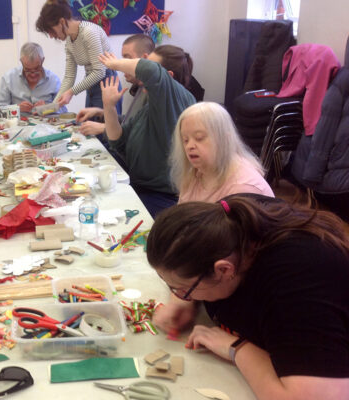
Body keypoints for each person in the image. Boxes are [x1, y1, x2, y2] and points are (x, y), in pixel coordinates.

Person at [146, 194, 349, 400]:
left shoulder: (296, 282)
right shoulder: (226, 222)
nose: (179, 295)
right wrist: (182, 300)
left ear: (224, 270)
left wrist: (235, 347)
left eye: (183, 289)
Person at [98, 48, 196, 216]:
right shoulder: (151, 105)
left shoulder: (179, 100)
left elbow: (150, 70)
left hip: (161, 197)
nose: (141, 73)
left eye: (148, 62)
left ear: (169, 77)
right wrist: (109, 106)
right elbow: (117, 140)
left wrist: (113, 64)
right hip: (139, 187)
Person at [170, 102, 274, 203]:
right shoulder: (195, 173)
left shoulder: (244, 189)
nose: (189, 146)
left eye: (199, 138)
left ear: (225, 139)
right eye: (185, 140)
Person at [35, 0, 121, 113]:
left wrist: (71, 92)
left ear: (62, 21)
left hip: (108, 84)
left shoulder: (89, 32)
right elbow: (69, 77)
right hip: (92, 85)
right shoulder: (69, 42)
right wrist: (51, 107)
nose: (51, 36)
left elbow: (100, 71)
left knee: (105, 129)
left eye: (51, 31)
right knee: (90, 128)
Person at [76, 33, 155, 137]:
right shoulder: (140, 88)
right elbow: (130, 120)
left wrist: (104, 128)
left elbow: (144, 132)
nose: (121, 64)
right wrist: (100, 112)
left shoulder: (155, 92)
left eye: (127, 58)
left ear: (145, 59)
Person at [0, 42, 63, 114]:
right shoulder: (8, 79)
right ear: (21, 62)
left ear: (42, 60)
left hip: (47, 124)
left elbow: (63, 110)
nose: (33, 74)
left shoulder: (53, 80)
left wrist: (47, 108)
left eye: (37, 68)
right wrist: (16, 108)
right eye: (27, 70)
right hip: (18, 124)